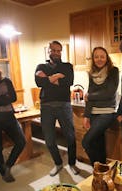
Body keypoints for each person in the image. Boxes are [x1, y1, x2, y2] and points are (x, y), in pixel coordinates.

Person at [35, 40, 80, 176]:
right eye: (52, 50)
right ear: (48, 51)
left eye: (58, 50)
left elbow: (69, 82)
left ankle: (72, 163)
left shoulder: (67, 66)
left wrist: (48, 79)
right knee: (49, 139)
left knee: (70, 136)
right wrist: (57, 77)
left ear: (61, 52)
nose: (55, 52)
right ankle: (58, 163)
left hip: (64, 105)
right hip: (46, 106)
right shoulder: (41, 65)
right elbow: (38, 82)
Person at [82, 47, 119, 164]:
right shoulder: (92, 74)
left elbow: (109, 93)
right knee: (98, 144)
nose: (99, 59)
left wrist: (90, 96)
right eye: (96, 57)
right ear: (93, 59)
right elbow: (89, 96)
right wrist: (86, 116)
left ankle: (99, 169)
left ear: (106, 58)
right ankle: (102, 171)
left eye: (102, 56)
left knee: (86, 142)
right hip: (93, 113)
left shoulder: (113, 71)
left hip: (106, 113)